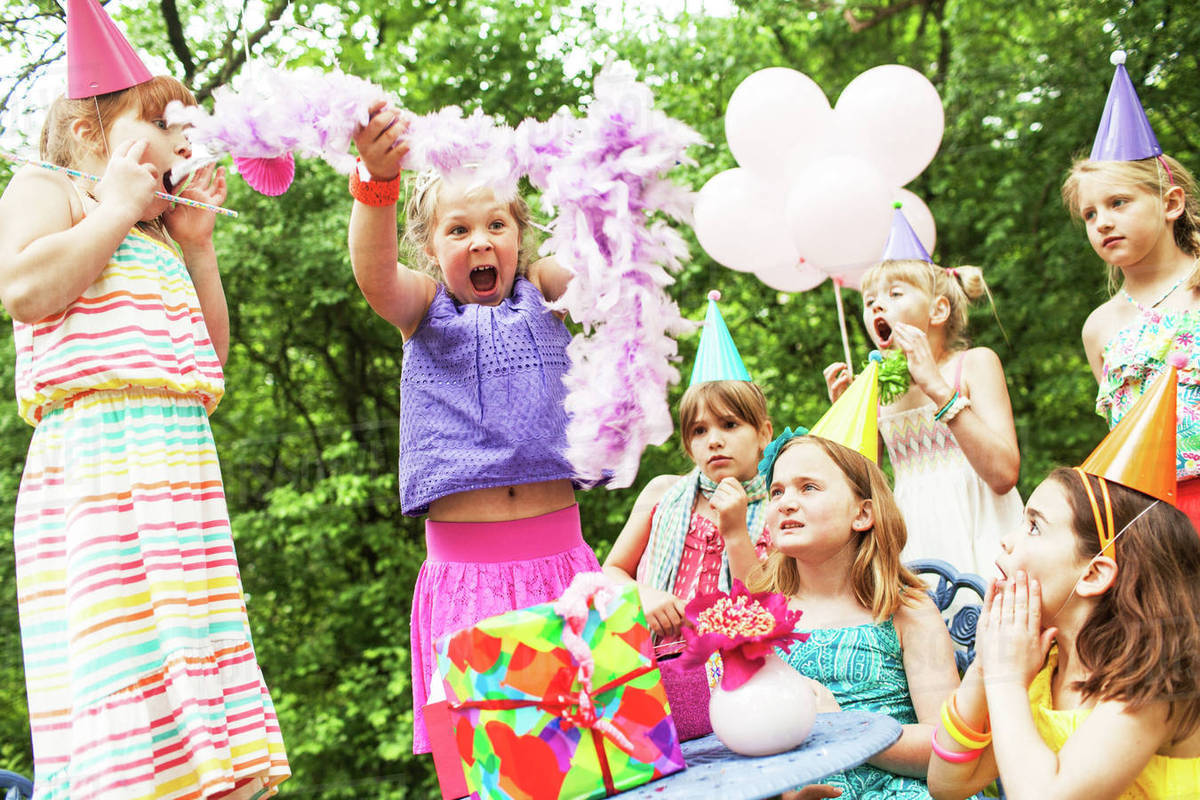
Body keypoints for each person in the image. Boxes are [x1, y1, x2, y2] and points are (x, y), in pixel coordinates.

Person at [0, 3, 288, 797]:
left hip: (178, 468)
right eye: (165, 123)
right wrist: (117, 206)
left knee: (193, 677)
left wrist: (197, 248)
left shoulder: (159, 241)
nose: (184, 142)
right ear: (93, 129)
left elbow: (209, 365)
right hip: (99, 470)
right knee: (122, 665)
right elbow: (24, 288)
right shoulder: (51, 187)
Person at [348, 103, 601, 754]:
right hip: (469, 582)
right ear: (429, 249)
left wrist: (592, 187)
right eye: (457, 230)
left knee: (587, 756)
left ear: (520, 237)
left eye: (496, 224)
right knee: (494, 765)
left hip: (562, 572)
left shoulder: (544, 291)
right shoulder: (424, 311)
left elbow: (593, 276)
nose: (481, 240)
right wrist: (376, 184)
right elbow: (373, 275)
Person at [927, 366, 1200, 799]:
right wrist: (984, 665)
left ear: (1093, 574)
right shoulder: (1043, 662)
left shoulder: (1154, 675)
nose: (1007, 539)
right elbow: (947, 784)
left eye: (1033, 526)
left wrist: (1003, 679)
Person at [752, 432, 960, 799]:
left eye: (809, 487)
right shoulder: (764, 614)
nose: (786, 503)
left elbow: (947, 745)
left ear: (863, 513)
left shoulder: (906, 611)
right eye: (777, 492)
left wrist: (846, 730)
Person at [824, 208, 1022, 577]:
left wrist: (938, 389)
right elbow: (863, 491)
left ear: (938, 309)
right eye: (870, 302)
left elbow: (1003, 474)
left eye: (895, 293)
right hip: (914, 537)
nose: (877, 306)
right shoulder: (878, 392)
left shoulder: (973, 364)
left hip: (983, 529)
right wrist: (847, 416)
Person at [1061, 53, 1200, 531]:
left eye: (1118, 202)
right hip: (1145, 514)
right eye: (1090, 214)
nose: (1102, 221)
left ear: (1171, 203)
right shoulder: (1100, 326)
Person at [604, 292, 774, 643]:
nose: (714, 440)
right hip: (656, 663)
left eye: (729, 425)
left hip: (735, 668)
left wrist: (736, 532)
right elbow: (612, 571)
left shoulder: (778, 508)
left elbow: (763, 607)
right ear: (688, 444)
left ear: (763, 434)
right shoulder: (663, 492)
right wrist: (643, 595)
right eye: (699, 430)